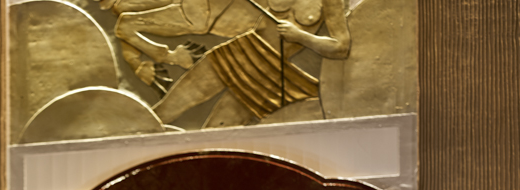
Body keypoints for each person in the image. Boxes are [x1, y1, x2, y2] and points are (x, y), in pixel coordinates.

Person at [98, 0, 351, 125]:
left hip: (269, 74)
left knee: (215, 135)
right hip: (239, 52)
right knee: (162, 113)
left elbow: (341, 47)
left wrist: (302, 37)